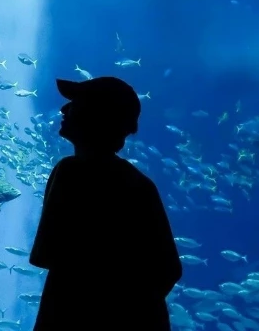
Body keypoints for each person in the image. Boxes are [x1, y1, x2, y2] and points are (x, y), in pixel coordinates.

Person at [29, 76, 182, 331]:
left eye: (75, 102)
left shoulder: (71, 172)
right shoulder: (141, 184)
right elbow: (170, 269)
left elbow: (46, 254)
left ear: (95, 114)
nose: (64, 108)